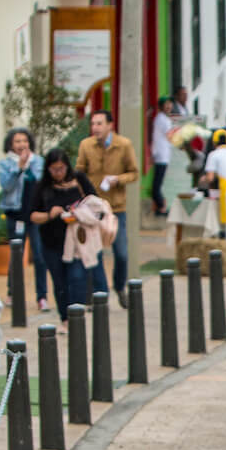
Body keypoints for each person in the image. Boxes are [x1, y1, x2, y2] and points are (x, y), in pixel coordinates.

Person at [29, 149, 108, 316]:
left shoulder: (78, 180)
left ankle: (75, 317)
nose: (58, 173)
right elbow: (32, 215)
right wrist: (50, 214)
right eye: (54, 169)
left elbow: (95, 202)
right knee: (60, 283)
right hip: (52, 242)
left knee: (77, 278)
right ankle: (65, 319)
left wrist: (78, 213)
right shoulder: (42, 187)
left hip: (78, 241)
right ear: (48, 169)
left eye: (61, 168)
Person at [74, 109, 138, 304]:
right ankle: (95, 293)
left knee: (121, 253)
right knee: (94, 252)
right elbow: (79, 171)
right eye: (93, 124)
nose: (95, 128)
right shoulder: (86, 145)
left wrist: (117, 180)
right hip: (93, 208)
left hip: (116, 207)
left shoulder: (124, 145)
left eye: (99, 124)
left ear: (110, 125)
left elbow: (134, 173)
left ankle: (119, 286)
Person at [0, 128, 48, 311]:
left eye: (24, 141)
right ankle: (12, 293)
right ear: (10, 144)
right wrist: (18, 168)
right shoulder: (5, 164)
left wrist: (29, 166)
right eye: (17, 141)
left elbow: (43, 183)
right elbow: (6, 186)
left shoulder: (39, 161)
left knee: (40, 256)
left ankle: (42, 297)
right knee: (16, 255)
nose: (21, 145)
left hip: (36, 216)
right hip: (15, 214)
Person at [150, 96, 180, 215]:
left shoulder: (161, 118)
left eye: (170, 104)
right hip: (161, 154)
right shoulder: (163, 119)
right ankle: (161, 206)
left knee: (158, 182)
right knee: (157, 183)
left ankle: (159, 206)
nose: (169, 106)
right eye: (166, 104)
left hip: (161, 153)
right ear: (161, 106)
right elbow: (170, 136)